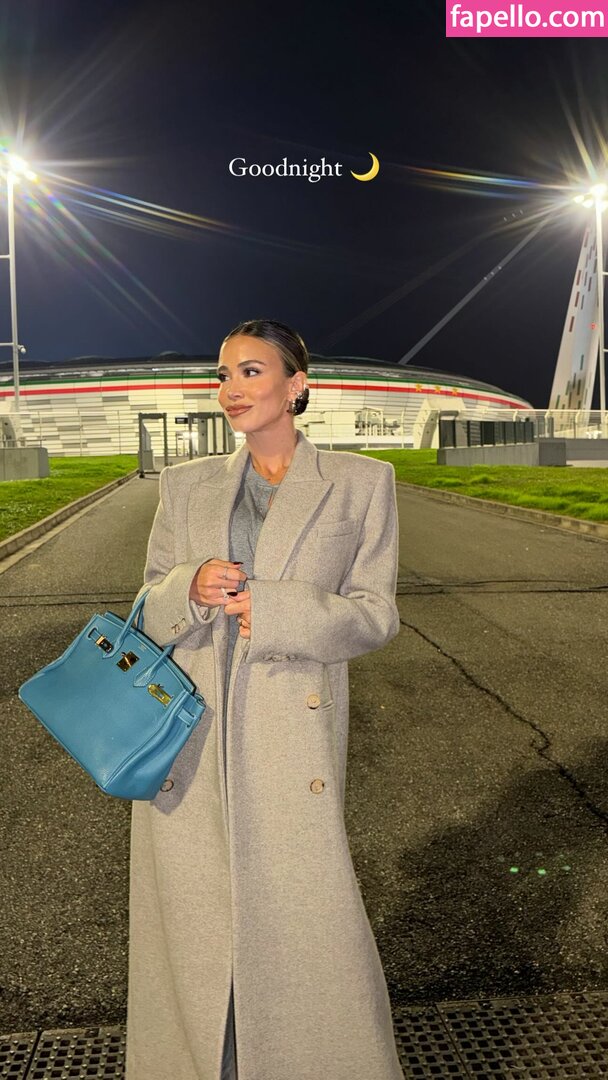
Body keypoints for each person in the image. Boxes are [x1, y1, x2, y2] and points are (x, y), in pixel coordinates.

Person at [125, 319, 404, 1080]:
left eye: (251, 371)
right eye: (223, 375)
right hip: (188, 739)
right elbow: (145, 606)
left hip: (290, 741)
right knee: (194, 933)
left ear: (296, 384)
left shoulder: (361, 483)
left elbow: (376, 614)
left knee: (307, 926)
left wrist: (277, 611)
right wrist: (187, 588)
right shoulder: (186, 485)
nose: (231, 390)